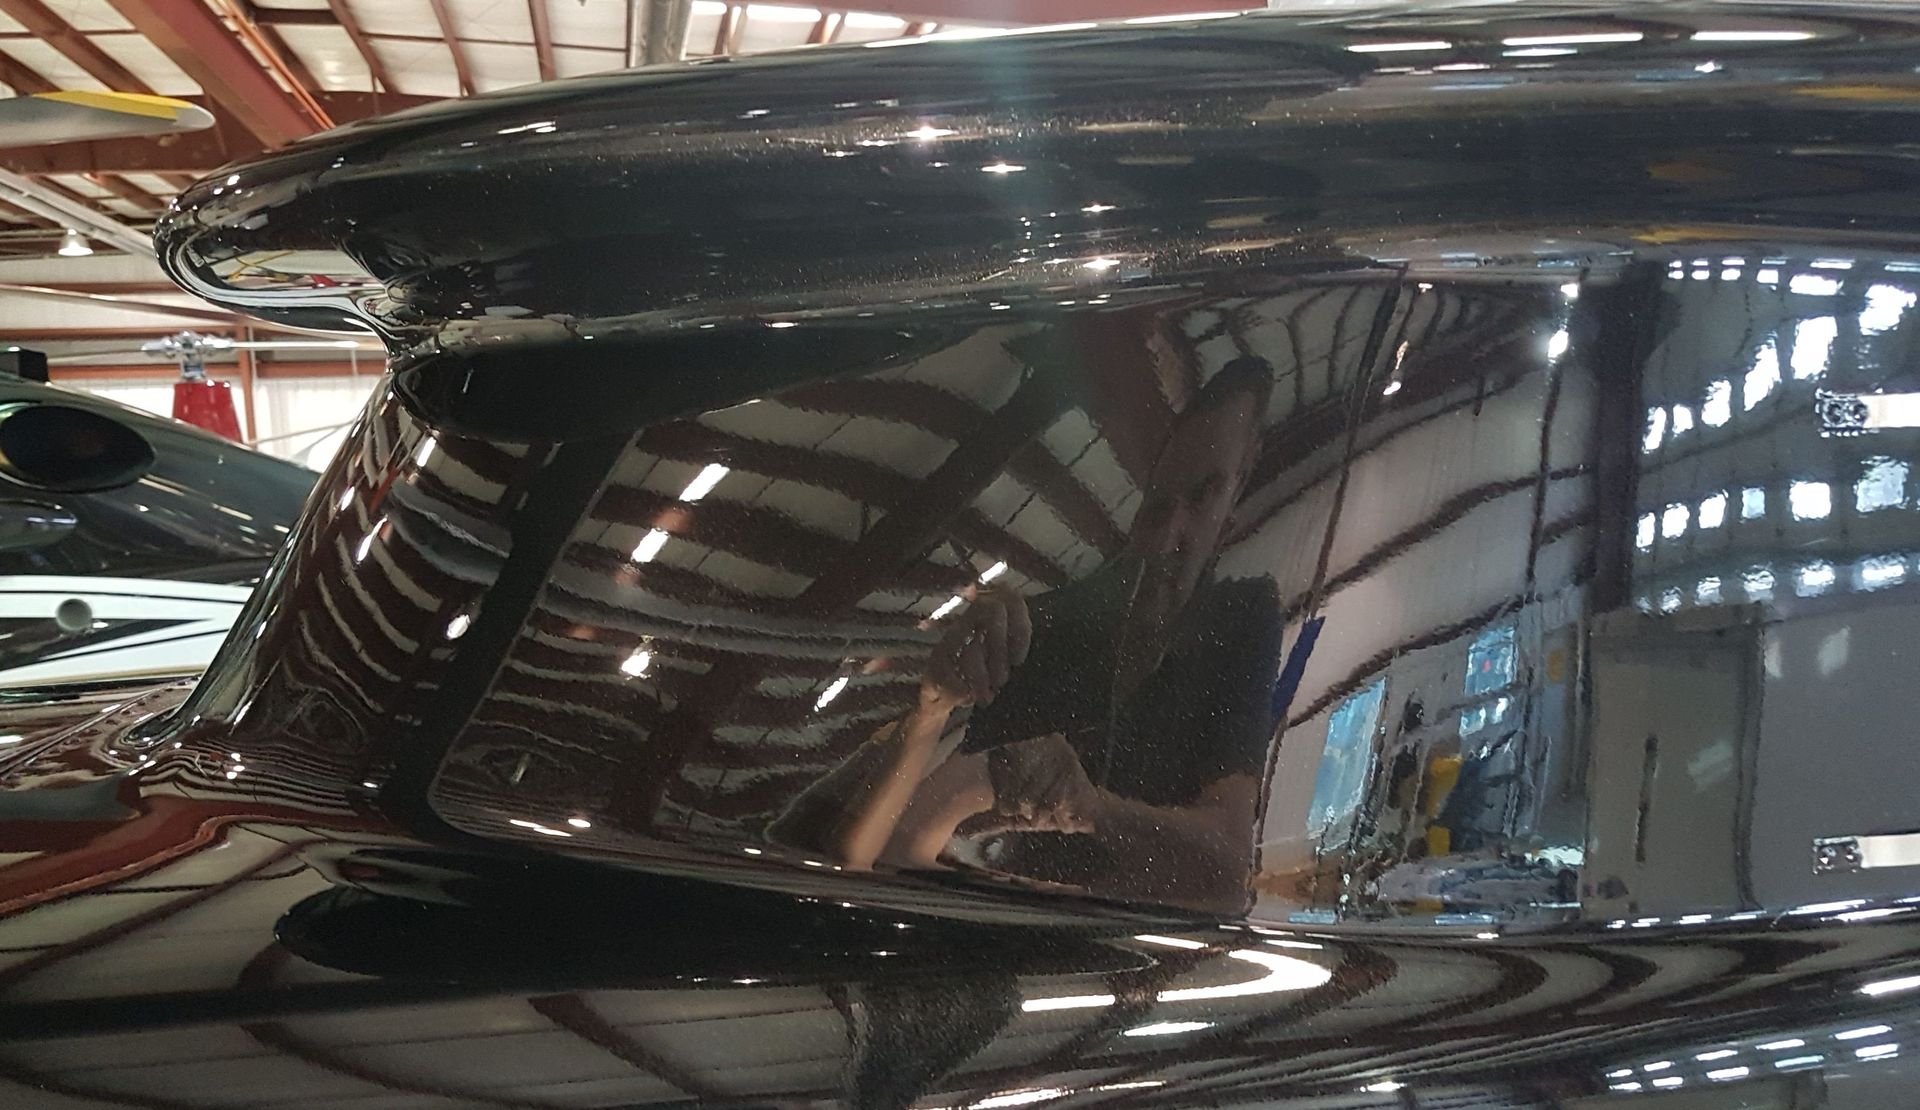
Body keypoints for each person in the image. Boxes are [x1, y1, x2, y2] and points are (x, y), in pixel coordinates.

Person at [771, 356, 1282, 911]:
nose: (1166, 540)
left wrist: (1089, 806)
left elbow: (1227, 875)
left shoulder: (1241, 618)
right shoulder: (1044, 631)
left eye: (1203, 496)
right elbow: (882, 852)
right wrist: (932, 713)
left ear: (1241, 483)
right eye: (1156, 508)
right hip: (992, 933)